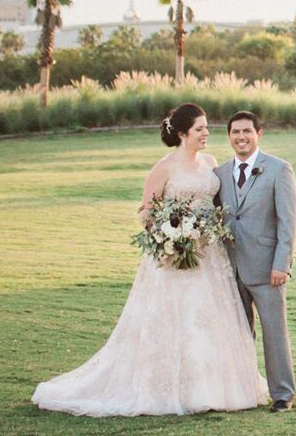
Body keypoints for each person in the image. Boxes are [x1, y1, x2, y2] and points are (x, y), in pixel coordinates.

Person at [33, 103, 268, 416]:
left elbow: (216, 204)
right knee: (176, 320)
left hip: (210, 256)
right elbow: (145, 211)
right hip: (174, 259)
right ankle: (174, 388)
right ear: (183, 133)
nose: (206, 134)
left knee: (211, 320)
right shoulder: (165, 168)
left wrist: (201, 229)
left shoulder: (210, 163)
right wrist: (173, 232)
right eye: (200, 129)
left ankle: (214, 388)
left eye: (206, 128)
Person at [215, 110, 296, 412]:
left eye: (247, 131)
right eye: (235, 132)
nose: (241, 137)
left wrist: (282, 264)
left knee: (274, 332)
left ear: (259, 134)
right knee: (238, 332)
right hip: (229, 267)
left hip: (267, 267)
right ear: (229, 136)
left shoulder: (278, 169)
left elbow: (287, 222)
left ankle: (283, 394)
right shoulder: (220, 174)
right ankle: (244, 390)